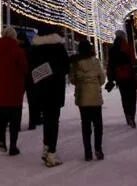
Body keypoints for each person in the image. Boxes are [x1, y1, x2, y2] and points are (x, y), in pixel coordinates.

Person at [29, 24, 70, 167]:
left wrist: (44, 72)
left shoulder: (35, 48)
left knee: (47, 119)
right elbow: (66, 67)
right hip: (56, 89)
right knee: (54, 120)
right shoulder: (58, 47)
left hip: (41, 90)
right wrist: (54, 70)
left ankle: (46, 148)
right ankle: (51, 153)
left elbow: (32, 69)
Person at [0, 26, 28, 155]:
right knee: (14, 118)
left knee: (1, 116)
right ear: (14, 36)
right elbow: (24, 68)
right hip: (14, 89)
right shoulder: (18, 51)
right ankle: (13, 146)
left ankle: (1, 138)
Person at [69, 39, 104, 161]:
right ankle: (98, 149)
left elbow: (72, 80)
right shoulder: (96, 61)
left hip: (82, 97)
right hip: (95, 96)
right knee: (98, 124)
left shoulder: (76, 63)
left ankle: (88, 152)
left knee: (85, 125)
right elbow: (102, 79)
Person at [107, 30, 137, 127]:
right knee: (132, 97)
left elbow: (110, 65)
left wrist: (111, 78)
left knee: (124, 97)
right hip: (130, 75)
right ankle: (132, 115)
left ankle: (127, 115)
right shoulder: (128, 46)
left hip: (119, 77)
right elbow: (133, 61)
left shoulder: (112, 49)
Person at [18, 30, 42, 130]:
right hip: (31, 77)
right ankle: (33, 122)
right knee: (32, 101)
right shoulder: (31, 49)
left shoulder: (18, 50)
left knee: (18, 102)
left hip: (21, 78)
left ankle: (16, 123)